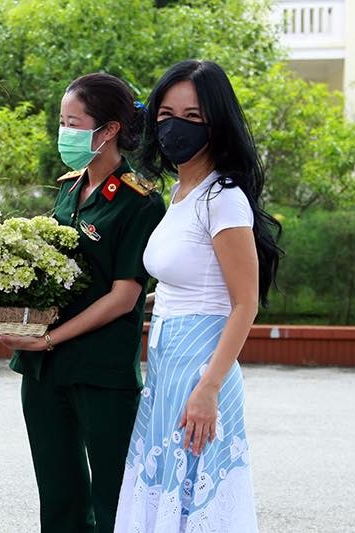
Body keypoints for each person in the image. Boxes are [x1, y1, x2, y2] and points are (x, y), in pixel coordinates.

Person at [113, 60, 282, 532]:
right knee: (167, 489)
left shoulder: (222, 196)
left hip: (201, 368)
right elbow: (181, 284)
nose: (175, 128)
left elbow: (244, 302)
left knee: (195, 496)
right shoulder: (181, 190)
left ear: (217, 123)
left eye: (193, 117)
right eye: (166, 114)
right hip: (167, 365)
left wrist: (208, 389)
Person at [0, 73, 166, 533]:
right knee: (58, 492)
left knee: (113, 494)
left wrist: (50, 339)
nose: (64, 133)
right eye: (62, 122)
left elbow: (124, 297)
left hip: (99, 369)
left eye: (74, 122)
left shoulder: (140, 203)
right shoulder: (69, 187)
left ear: (108, 130)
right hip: (43, 369)